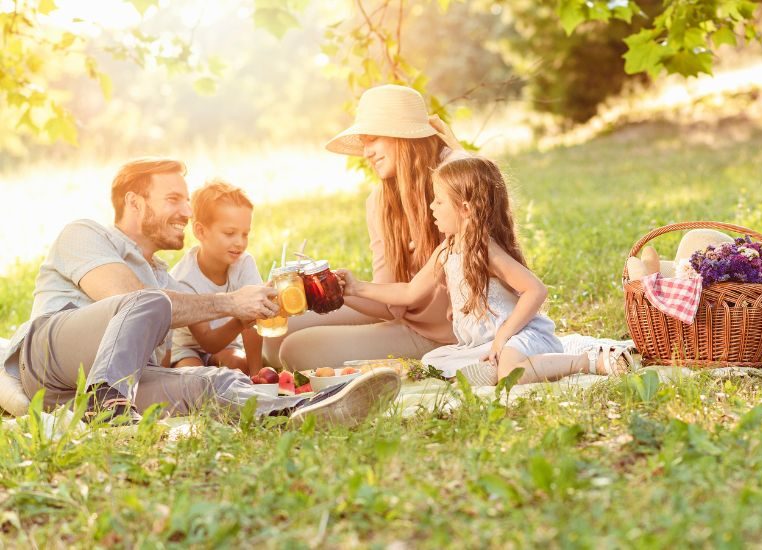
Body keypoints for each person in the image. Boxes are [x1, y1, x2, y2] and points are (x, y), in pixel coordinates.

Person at [1, 157, 398, 425]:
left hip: (90, 393)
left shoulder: (165, 280)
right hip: (47, 359)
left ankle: (309, 408)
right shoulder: (85, 233)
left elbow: (173, 343)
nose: (188, 213)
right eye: (173, 199)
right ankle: (112, 407)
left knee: (212, 383)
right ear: (134, 203)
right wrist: (228, 301)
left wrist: (248, 314)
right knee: (148, 301)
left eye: (187, 201)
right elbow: (123, 298)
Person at [338, 157, 635, 386]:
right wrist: (355, 287)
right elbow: (408, 291)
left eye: (439, 201)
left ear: (465, 209)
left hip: (520, 333)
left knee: (510, 373)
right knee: (434, 361)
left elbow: (536, 290)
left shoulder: (485, 250)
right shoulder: (447, 250)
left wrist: (504, 336)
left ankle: (587, 361)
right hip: (483, 343)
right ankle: (498, 364)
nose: (431, 206)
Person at [268, 84, 467, 371]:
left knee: (296, 350)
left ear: (402, 134)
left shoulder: (456, 175)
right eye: (364, 142)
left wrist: (459, 153)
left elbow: (485, 198)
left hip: (447, 333)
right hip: (405, 314)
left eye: (373, 139)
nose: (367, 153)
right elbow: (387, 304)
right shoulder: (381, 201)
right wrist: (342, 289)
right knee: (278, 335)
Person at [169, 180, 263, 375]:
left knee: (239, 366)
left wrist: (257, 375)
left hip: (227, 344)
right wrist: (240, 319)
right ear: (200, 231)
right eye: (230, 233)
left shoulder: (244, 264)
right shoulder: (183, 279)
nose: (239, 243)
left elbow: (253, 326)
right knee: (195, 378)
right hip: (187, 348)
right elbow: (208, 342)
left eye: (245, 234)